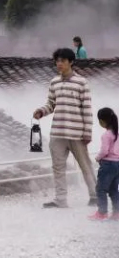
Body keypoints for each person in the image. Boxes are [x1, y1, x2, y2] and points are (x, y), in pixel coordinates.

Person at [33, 47, 97, 209]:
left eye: (62, 60)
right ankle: (60, 200)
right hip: (57, 133)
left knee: (85, 166)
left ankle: (95, 196)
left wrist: (87, 132)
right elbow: (51, 104)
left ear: (71, 62)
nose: (59, 64)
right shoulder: (54, 82)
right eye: (57, 61)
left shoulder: (82, 82)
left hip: (77, 133)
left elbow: (87, 109)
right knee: (58, 168)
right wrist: (41, 111)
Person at [89, 107, 119, 221]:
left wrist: (97, 158)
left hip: (108, 164)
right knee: (113, 189)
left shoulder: (106, 135)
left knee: (100, 189)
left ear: (103, 121)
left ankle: (102, 213)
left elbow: (104, 151)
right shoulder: (117, 133)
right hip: (117, 164)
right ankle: (117, 212)